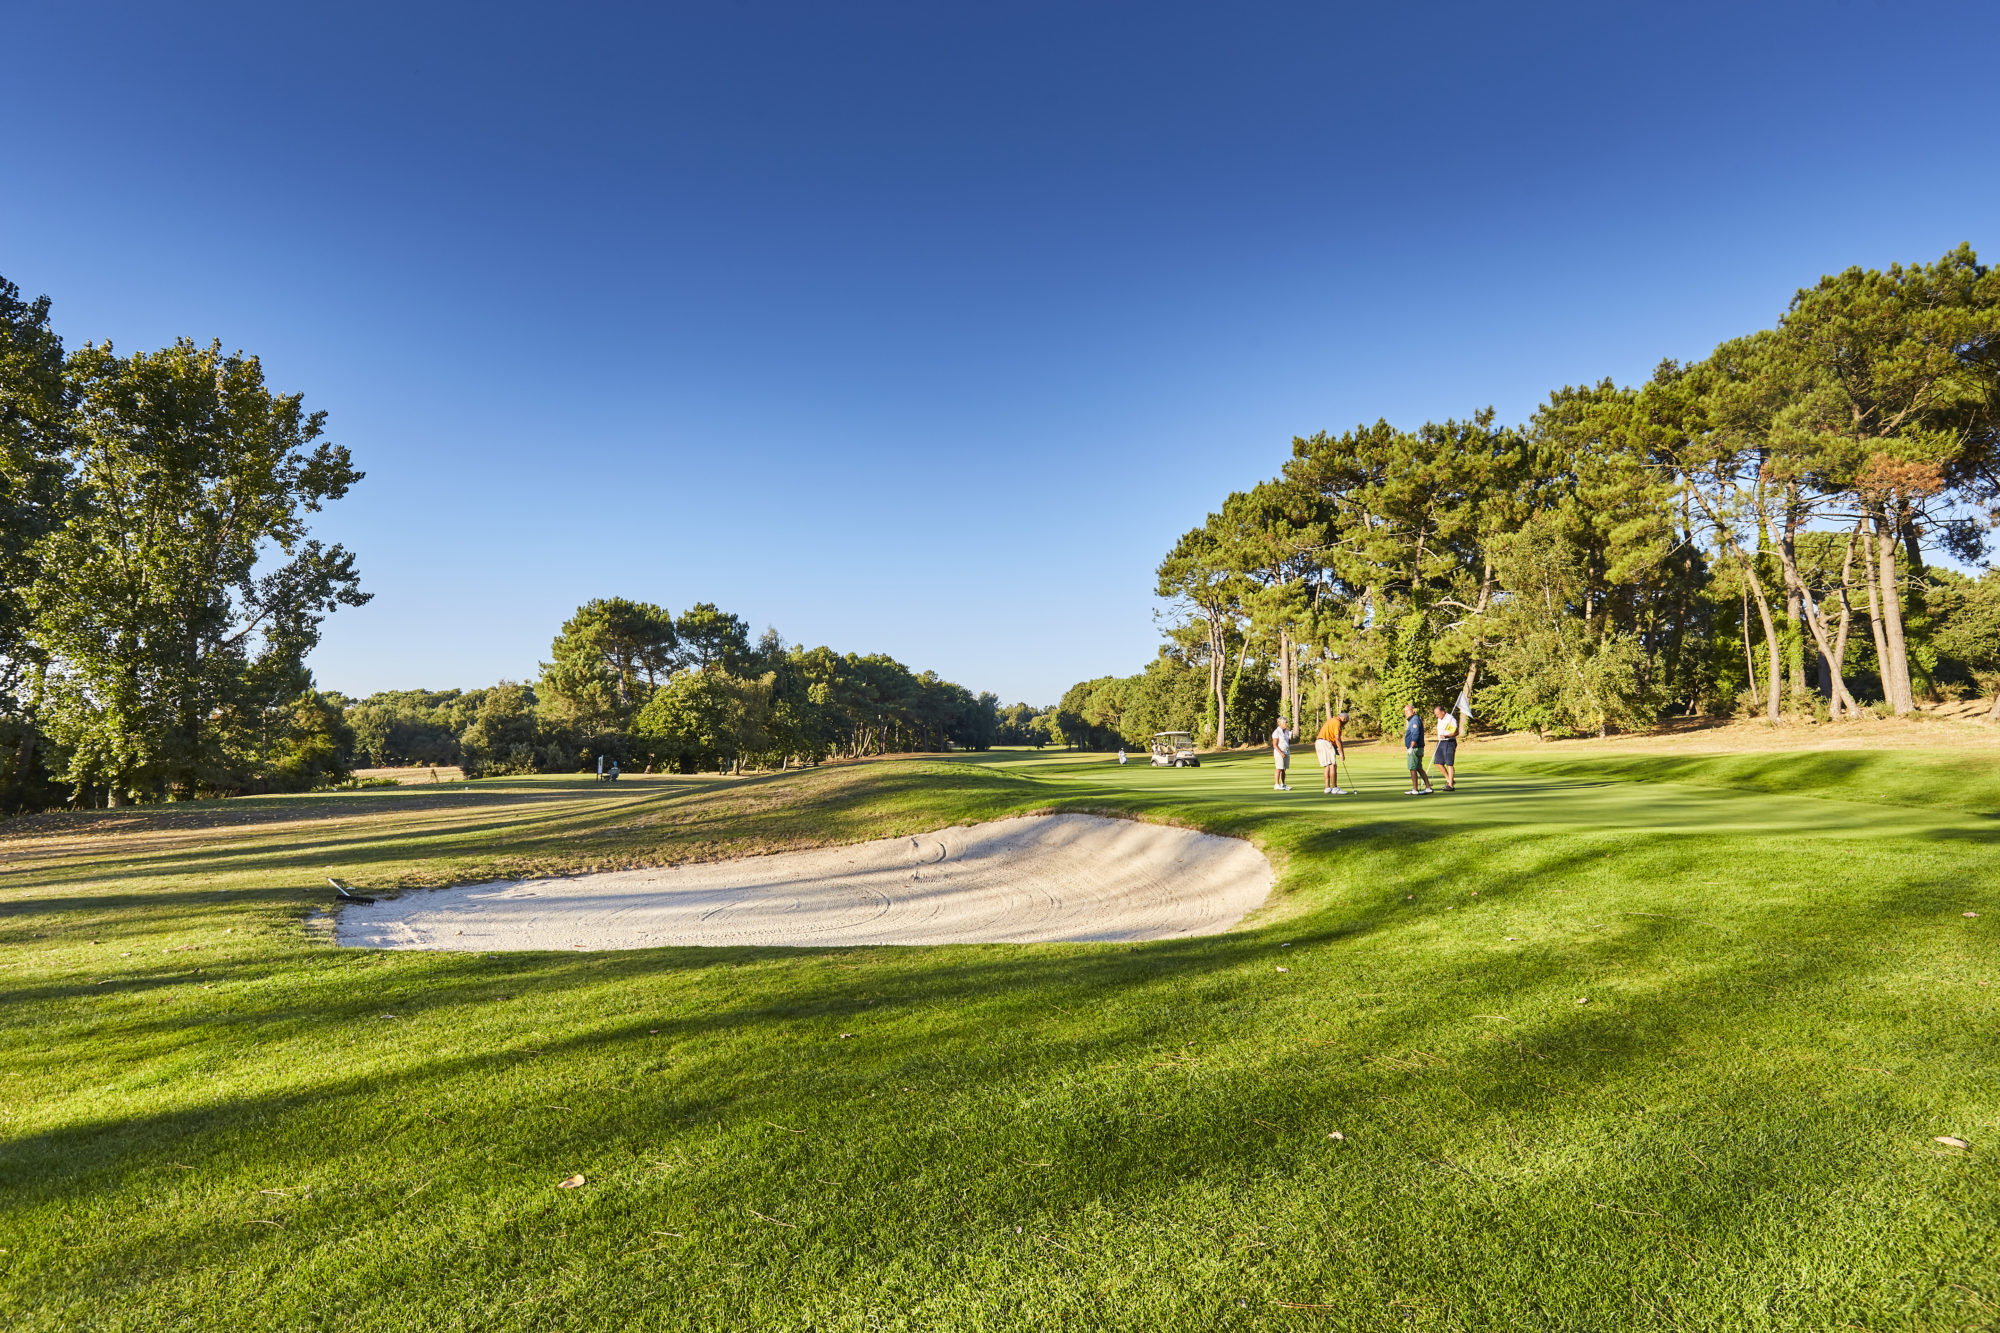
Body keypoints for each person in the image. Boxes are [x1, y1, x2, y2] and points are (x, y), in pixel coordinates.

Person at [1314, 709, 1355, 795]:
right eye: (1346, 721)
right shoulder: (1337, 722)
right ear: (1344, 718)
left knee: (1327, 766)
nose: (1345, 723)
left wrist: (1336, 749)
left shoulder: (1331, 720)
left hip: (1319, 742)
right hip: (1326, 743)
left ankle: (1327, 788)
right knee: (1333, 765)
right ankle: (1335, 788)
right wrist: (1341, 753)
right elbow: (1337, 738)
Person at [1401, 703, 1432, 795]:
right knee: (1418, 768)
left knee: (1412, 768)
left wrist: (1411, 746)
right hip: (1417, 747)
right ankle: (1428, 787)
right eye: (1405, 711)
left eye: (1408, 710)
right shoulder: (1413, 720)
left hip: (1415, 748)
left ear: (1413, 710)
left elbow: (1415, 734)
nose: (1406, 713)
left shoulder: (1414, 720)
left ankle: (1415, 789)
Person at [1431, 705, 1459, 790]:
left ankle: (1450, 785)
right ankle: (1449, 779)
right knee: (1437, 762)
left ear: (1443, 712)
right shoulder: (1440, 719)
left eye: (1438, 714)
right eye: (1436, 714)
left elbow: (1456, 732)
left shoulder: (1450, 719)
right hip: (1441, 742)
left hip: (1449, 742)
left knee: (1449, 763)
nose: (1437, 716)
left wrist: (1446, 736)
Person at [1270, 718, 1293, 791]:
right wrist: (1281, 753)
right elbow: (1275, 745)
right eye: (1285, 722)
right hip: (1279, 752)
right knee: (1279, 768)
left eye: (1287, 722)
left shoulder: (1286, 731)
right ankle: (1276, 784)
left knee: (1284, 769)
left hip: (1286, 751)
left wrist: (1290, 735)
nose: (1286, 724)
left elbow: (1288, 742)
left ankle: (1283, 784)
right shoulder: (1276, 732)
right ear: (1280, 723)